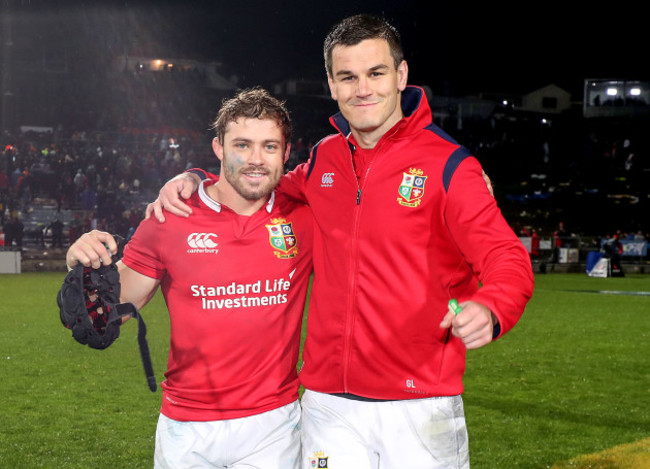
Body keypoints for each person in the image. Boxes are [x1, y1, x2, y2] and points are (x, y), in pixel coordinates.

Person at [148, 14, 534, 469]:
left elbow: (506, 255)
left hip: (419, 401)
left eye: (376, 73)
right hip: (329, 404)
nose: (362, 89)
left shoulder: (449, 165)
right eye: (347, 77)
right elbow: (260, 182)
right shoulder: (323, 160)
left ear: (401, 75)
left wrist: (492, 308)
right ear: (331, 84)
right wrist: (197, 177)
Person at [66, 88, 314, 469]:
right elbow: (113, 309)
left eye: (269, 146)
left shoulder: (305, 217)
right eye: (242, 145)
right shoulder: (170, 217)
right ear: (218, 147)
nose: (255, 159)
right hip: (187, 427)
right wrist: (83, 263)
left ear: (286, 151)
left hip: (274, 425)